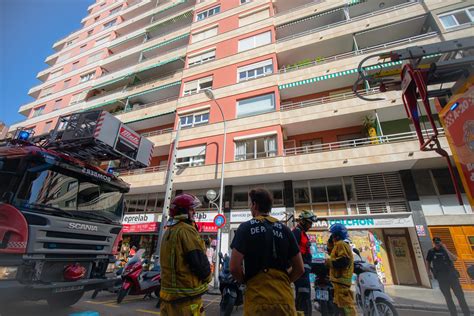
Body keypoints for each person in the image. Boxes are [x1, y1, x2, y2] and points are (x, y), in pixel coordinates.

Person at [229, 188, 304, 316]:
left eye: (250, 205)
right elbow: (300, 269)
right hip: (284, 301)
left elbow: (234, 268)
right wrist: (284, 281)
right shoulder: (285, 230)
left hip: (257, 301)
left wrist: (246, 282)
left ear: (255, 205)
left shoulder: (245, 228)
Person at [160, 193, 211, 316]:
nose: (194, 212)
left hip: (168, 301)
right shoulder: (186, 230)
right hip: (187, 301)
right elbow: (199, 263)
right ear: (183, 211)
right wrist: (208, 277)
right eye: (191, 209)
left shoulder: (169, 231)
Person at [426, 237, 470, 316]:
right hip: (441, 277)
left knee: (460, 297)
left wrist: (446, 249)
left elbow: (454, 258)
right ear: (433, 243)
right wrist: (428, 272)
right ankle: (453, 314)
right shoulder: (431, 252)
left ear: (441, 242)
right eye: (436, 242)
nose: (437, 244)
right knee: (448, 298)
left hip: (452, 277)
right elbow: (428, 262)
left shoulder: (446, 251)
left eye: (438, 242)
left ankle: (467, 313)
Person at [326, 223, 356, 316]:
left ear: (337, 235)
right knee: (339, 306)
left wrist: (330, 262)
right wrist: (330, 242)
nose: (332, 237)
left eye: (333, 235)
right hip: (338, 282)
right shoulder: (338, 245)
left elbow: (344, 261)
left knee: (346, 305)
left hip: (341, 281)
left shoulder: (341, 244)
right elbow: (330, 251)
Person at [292, 210, 318, 315]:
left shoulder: (302, 233)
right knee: (303, 296)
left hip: (304, 272)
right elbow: (293, 251)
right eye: (309, 223)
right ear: (302, 221)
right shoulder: (296, 232)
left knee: (305, 295)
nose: (310, 225)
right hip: (301, 272)